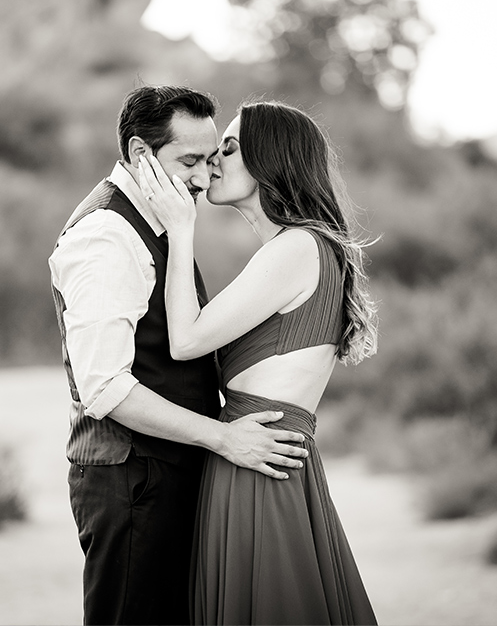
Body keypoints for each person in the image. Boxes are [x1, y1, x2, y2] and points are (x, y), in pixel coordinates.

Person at [48, 86, 310, 626]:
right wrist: (224, 437)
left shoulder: (160, 220)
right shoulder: (106, 235)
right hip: (130, 481)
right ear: (142, 154)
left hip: (165, 471)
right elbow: (105, 388)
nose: (201, 177)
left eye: (209, 160)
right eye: (188, 161)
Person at [138, 100, 380, 625]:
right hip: (258, 454)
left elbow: (185, 340)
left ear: (269, 159)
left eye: (229, 147)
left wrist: (180, 231)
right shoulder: (297, 247)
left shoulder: (297, 247)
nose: (213, 162)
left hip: (259, 462)